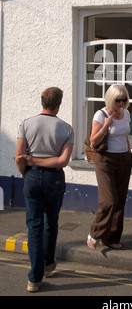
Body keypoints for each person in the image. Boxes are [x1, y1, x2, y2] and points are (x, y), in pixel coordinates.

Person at [15, 87, 74, 292]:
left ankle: (34, 278)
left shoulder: (26, 124)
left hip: (31, 176)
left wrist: (27, 171)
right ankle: (49, 263)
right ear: (59, 104)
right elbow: (63, 161)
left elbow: (19, 157)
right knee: (52, 221)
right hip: (54, 178)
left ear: (42, 102)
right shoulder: (66, 129)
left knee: (34, 226)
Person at [87, 84, 132, 250]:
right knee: (109, 200)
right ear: (110, 99)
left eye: (124, 99)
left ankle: (112, 238)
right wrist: (106, 126)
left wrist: (128, 154)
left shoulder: (126, 113)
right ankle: (95, 233)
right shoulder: (101, 114)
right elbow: (93, 142)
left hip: (124, 158)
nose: (121, 103)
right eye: (117, 100)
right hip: (106, 160)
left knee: (120, 200)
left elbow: (125, 136)